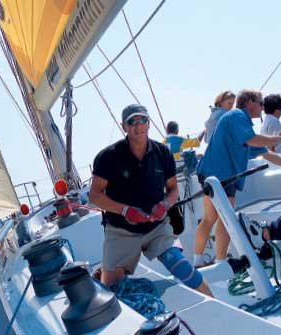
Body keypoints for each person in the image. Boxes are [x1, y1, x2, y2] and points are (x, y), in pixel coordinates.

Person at [89, 104, 212, 296]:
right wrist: (126, 210)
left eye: (142, 120)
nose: (138, 126)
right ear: (124, 126)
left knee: (181, 266)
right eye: (132, 122)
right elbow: (94, 195)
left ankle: (212, 300)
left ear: (148, 123)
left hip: (156, 227)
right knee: (113, 290)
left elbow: (173, 190)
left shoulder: (163, 153)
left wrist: (164, 205)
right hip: (121, 231)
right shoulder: (108, 157)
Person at [194, 89, 281, 268]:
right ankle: (219, 262)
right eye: (260, 103)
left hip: (219, 175)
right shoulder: (237, 116)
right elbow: (252, 140)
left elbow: (265, 154)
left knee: (214, 218)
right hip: (218, 175)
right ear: (248, 102)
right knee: (224, 218)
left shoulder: (241, 122)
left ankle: (202, 261)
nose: (263, 107)